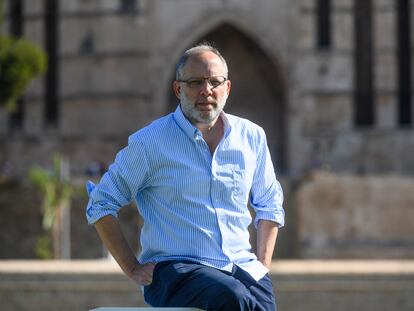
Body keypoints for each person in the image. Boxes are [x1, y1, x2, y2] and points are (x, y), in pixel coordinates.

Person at [86, 43, 285, 311]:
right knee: (233, 297)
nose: (206, 90)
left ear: (227, 88)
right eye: (195, 82)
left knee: (256, 301)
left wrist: (262, 264)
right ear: (178, 89)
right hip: (175, 270)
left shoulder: (252, 136)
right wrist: (132, 268)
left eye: (215, 82)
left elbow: (269, 203)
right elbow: (101, 203)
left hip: (243, 268)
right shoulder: (150, 143)